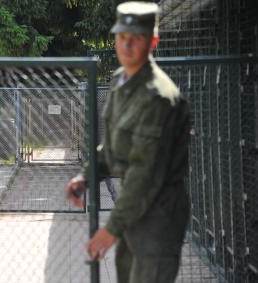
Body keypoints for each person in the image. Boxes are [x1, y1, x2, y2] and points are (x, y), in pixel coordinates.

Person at [66, 1, 191, 282]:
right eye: (122, 37)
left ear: (153, 41)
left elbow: (144, 172)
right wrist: (86, 175)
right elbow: (113, 145)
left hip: (158, 215)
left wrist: (111, 227)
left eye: (136, 39)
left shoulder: (158, 97)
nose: (127, 45)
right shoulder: (120, 82)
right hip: (134, 209)